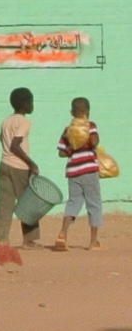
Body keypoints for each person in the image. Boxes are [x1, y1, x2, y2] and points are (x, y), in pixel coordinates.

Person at [0, 87, 42, 248]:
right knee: (28, 203)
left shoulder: (6, 120)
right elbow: (14, 145)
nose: (32, 105)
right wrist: (31, 164)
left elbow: (1, 139)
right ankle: (29, 240)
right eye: (31, 102)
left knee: (4, 204)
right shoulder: (24, 122)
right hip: (19, 167)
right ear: (25, 104)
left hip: (4, 165)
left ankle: (0, 239)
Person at [58, 96, 103, 251]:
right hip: (89, 170)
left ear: (72, 112)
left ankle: (62, 234)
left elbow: (62, 154)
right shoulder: (90, 125)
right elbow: (95, 142)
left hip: (73, 171)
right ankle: (93, 242)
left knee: (73, 202)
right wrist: (88, 141)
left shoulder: (67, 130)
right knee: (94, 204)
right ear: (88, 112)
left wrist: (73, 148)